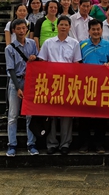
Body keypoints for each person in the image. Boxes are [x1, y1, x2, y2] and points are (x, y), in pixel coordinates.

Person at [36, 16, 82, 155]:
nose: (63, 27)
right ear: (57, 26)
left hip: (68, 83)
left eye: (66, 25)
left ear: (69, 27)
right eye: (61, 24)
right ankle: (51, 143)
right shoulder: (48, 43)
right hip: (52, 83)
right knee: (51, 114)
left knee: (66, 114)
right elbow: (42, 62)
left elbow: (77, 63)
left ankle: (65, 144)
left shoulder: (74, 43)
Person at [78, 20, 109, 153]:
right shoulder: (82, 45)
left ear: (102, 30)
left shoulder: (107, 45)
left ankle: (99, 144)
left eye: (98, 29)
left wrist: (108, 65)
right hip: (85, 85)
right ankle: (84, 144)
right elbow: (77, 62)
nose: (96, 32)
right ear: (89, 31)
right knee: (84, 116)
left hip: (102, 85)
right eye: (93, 29)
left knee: (101, 116)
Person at [4, 18, 39, 157]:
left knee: (30, 114)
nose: (21, 31)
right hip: (16, 82)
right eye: (18, 28)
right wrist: (18, 88)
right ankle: (12, 144)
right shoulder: (9, 48)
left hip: (29, 82)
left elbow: (38, 59)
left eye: (23, 28)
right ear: (13, 30)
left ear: (27, 29)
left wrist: (34, 58)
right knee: (13, 115)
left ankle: (31, 143)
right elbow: (11, 69)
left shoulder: (32, 44)